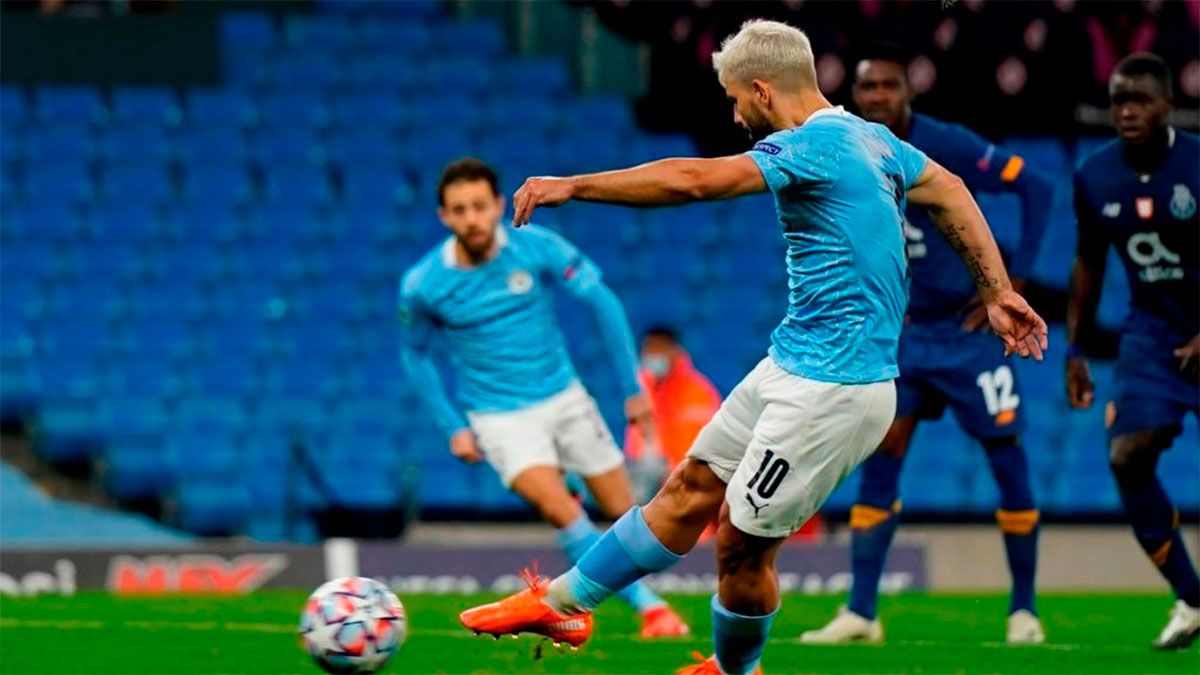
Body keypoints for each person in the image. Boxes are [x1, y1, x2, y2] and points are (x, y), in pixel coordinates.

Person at [458, 20, 1048, 675]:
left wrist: (575, 185)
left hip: (837, 389)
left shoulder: (811, 147)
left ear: (763, 91)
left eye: (737, 99)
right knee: (690, 489)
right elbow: (953, 190)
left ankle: (737, 669)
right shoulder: (874, 140)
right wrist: (994, 289)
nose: (735, 114)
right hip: (790, 363)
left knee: (740, 541)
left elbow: (692, 181)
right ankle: (565, 602)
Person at [799, 43, 1055, 647]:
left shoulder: (950, 143)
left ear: (908, 92)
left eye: (889, 86)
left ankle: (1023, 610)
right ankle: (862, 612)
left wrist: (1014, 279)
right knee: (881, 456)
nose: (878, 98)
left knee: (1007, 457)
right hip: (904, 337)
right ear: (854, 96)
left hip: (969, 337)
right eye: (868, 88)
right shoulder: (842, 146)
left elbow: (1036, 187)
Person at [398, 158, 689, 639]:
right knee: (560, 510)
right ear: (443, 217)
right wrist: (453, 426)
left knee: (626, 513)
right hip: (498, 417)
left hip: (565, 399)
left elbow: (602, 301)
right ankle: (651, 611)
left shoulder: (536, 247)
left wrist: (634, 391)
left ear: (496, 205)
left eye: (478, 206)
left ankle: (577, 492)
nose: (471, 218)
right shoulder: (423, 284)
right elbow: (416, 357)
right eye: (458, 210)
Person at [1066, 53, 1199, 651]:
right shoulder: (1095, 175)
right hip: (1152, 334)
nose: (1126, 111)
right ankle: (1192, 598)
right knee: (1126, 457)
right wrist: (1074, 346)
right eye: (1119, 99)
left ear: (1167, 105)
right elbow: (1090, 261)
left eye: (1140, 99)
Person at [625, 326, 722, 498]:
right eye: (649, 348)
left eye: (659, 348)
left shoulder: (698, 392)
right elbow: (635, 443)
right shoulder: (642, 388)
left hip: (687, 479)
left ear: (674, 350)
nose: (653, 354)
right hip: (650, 480)